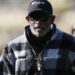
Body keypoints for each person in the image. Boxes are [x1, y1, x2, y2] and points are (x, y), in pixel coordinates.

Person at [0, 0, 75, 75]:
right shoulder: (11, 48)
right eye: (34, 17)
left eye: (43, 17)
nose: (38, 22)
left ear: (52, 19)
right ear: (27, 19)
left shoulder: (70, 43)